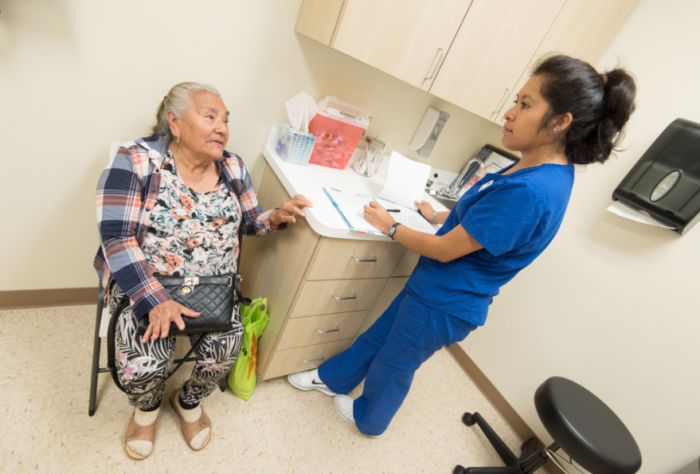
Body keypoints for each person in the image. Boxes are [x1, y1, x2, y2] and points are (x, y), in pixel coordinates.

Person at [288, 55, 637, 437]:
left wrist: (391, 227)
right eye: (516, 100)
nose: (509, 113)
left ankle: (369, 418)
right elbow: (488, 228)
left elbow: (445, 250)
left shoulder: (532, 190)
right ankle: (333, 378)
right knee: (382, 335)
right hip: (435, 289)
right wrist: (439, 217)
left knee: (395, 361)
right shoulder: (537, 167)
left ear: (559, 121)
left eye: (524, 104)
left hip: (446, 300)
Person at [94, 82, 311, 460]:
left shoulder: (233, 166)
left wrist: (273, 217)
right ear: (174, 123)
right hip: (147, 284)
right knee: (147, 361)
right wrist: (154, 300)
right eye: (210, 116)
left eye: (225, 120)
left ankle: (188, 399)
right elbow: (116, 237)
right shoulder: (136, 160)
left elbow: (248, 222)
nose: (222, 127)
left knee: (226, 346)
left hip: (212, 288)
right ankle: (145, 409)